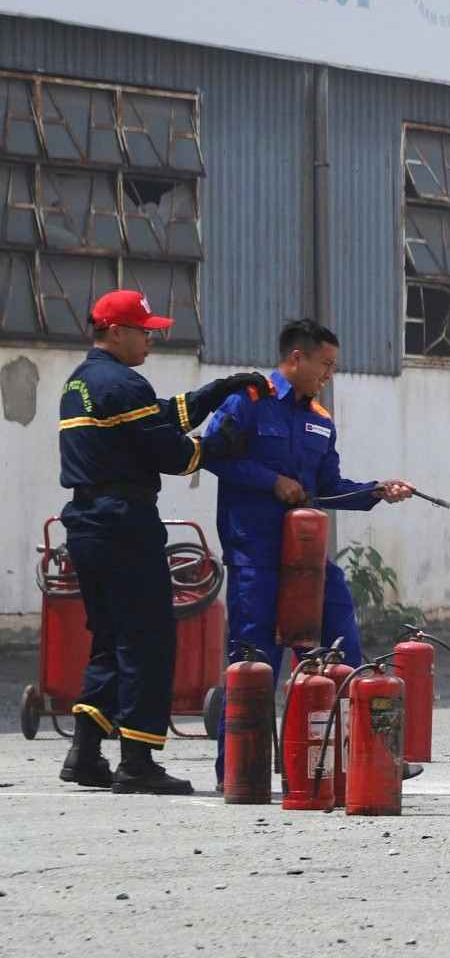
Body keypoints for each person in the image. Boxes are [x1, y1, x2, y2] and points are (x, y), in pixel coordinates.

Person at [57, 290, 260, 794]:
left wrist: (218, 390)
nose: (151, 339)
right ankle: (137, 762)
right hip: (124, 524)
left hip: (87, 525)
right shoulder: (124, 384)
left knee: (110, 638)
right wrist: (216, 446)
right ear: (116, 332)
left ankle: (85, 753)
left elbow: (160, 416)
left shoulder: (81, 383)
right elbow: (169, 452)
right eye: (145, 331)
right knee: (147, 639)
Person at [202, 319, 414, 784]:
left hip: (308, 559)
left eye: (334, 366)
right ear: (296, 358)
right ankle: (236, 770)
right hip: (255, 554)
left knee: (341, 648)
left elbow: (329, 487)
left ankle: (366, 761)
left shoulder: (320, 420)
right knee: (254, 659)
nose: (329, 374)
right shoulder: (247, 401)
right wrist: (271, 481)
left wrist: (376, 491)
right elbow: (212, 455)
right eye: (325, 364)